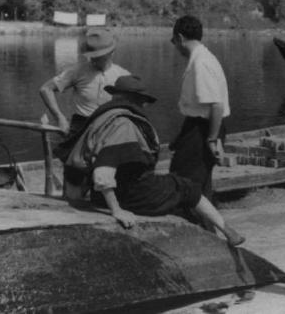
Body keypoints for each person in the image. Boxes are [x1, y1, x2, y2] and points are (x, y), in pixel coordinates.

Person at [61, 75, 245, 246]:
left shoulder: (101, 118)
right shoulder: (122, 124)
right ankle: (227, 231)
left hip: (99, 195)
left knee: (173, 185)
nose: (144, 106)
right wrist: (117, 210)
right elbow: (102, 174)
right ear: (135, 100)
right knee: (187, 188)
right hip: (131, 196)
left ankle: (221, 230)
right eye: (142, 101)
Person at [169, 15, 230, 233]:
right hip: (197, 126)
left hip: (204, 129)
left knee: (185, 184)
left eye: (173, 41)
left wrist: (212, 139)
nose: (175, 47)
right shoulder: (202, 58)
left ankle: (199, 231)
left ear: (180, 37)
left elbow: (216, 106)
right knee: (200, 185)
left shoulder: (201, 63)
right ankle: (207, 230)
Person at [40, 28, 131, 137]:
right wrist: (60, 118)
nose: (92, 60)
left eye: (98, 57)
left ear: (111, 53)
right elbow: (46, 89)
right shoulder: (77, 71)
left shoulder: (124, 76)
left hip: (111, 130)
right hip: (81, 129)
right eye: (91, 56)